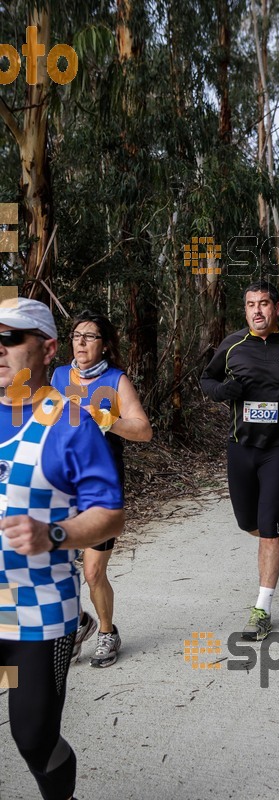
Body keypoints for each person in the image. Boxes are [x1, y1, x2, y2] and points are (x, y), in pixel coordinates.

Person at [0, 297, 124, 800]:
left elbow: (109, 514)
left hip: (38, 613)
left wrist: (54, 534)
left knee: (32, 736)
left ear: (48, 349)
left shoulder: (71, 424)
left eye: (10, 340)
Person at [201, 281, 279, 640]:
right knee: (249, 524)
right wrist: (222, 392)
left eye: (263, 304)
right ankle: (275, 534)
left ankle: (262, 608)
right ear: (245, 310)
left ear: (277, 307)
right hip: (241, 447)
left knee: (268, 529)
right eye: (250, 304)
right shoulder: (232, 346)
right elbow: (206, 380)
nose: (257, 310)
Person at [51, 310, 152, 667]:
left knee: (93, 571)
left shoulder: (116, 380)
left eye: (89, 336)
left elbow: (143, 430)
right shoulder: (59, 376)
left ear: (105, 344)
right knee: (49, 560)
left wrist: (103, 417)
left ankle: (107, 632)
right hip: (60, 486)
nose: (80, 341)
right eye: (76, 335)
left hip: (100, 488)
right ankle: (79, 621)